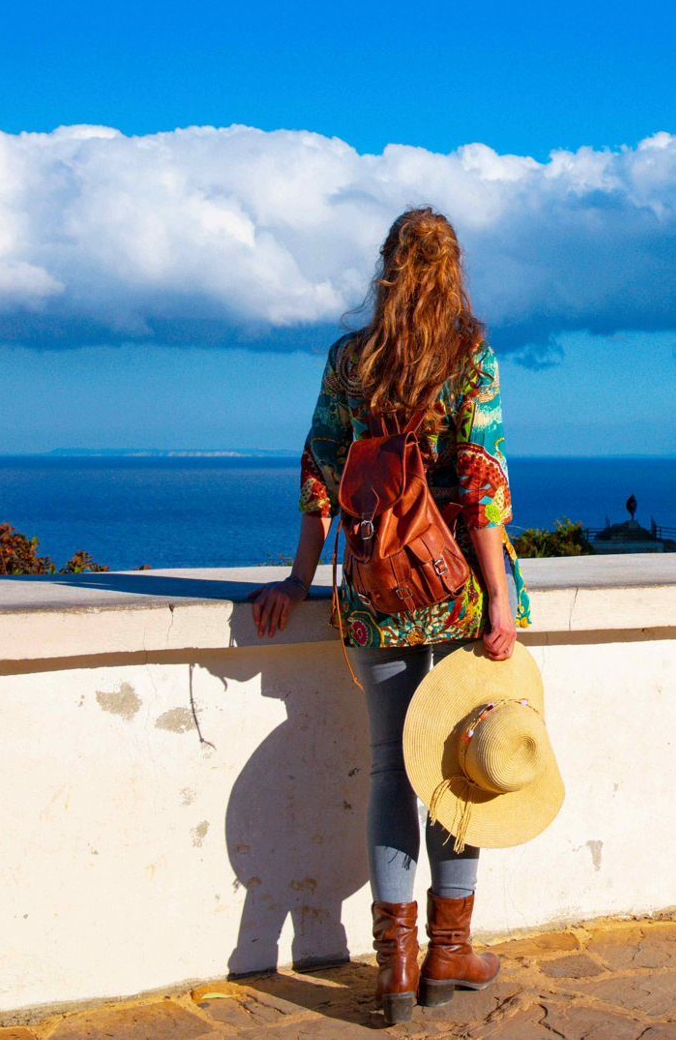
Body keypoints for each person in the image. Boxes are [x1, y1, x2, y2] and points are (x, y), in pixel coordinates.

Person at [247, 206, 529, 1023]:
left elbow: (320, 470)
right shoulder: (471, 357)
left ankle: (395, 966)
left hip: (375, 590)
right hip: (458, 594)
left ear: (385, 268)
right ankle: (449, 950)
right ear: (454, 271)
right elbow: (481, 484)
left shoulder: (349, 360)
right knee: (462, 766)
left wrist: (298, 577)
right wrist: (499, 603)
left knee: (388, 770)